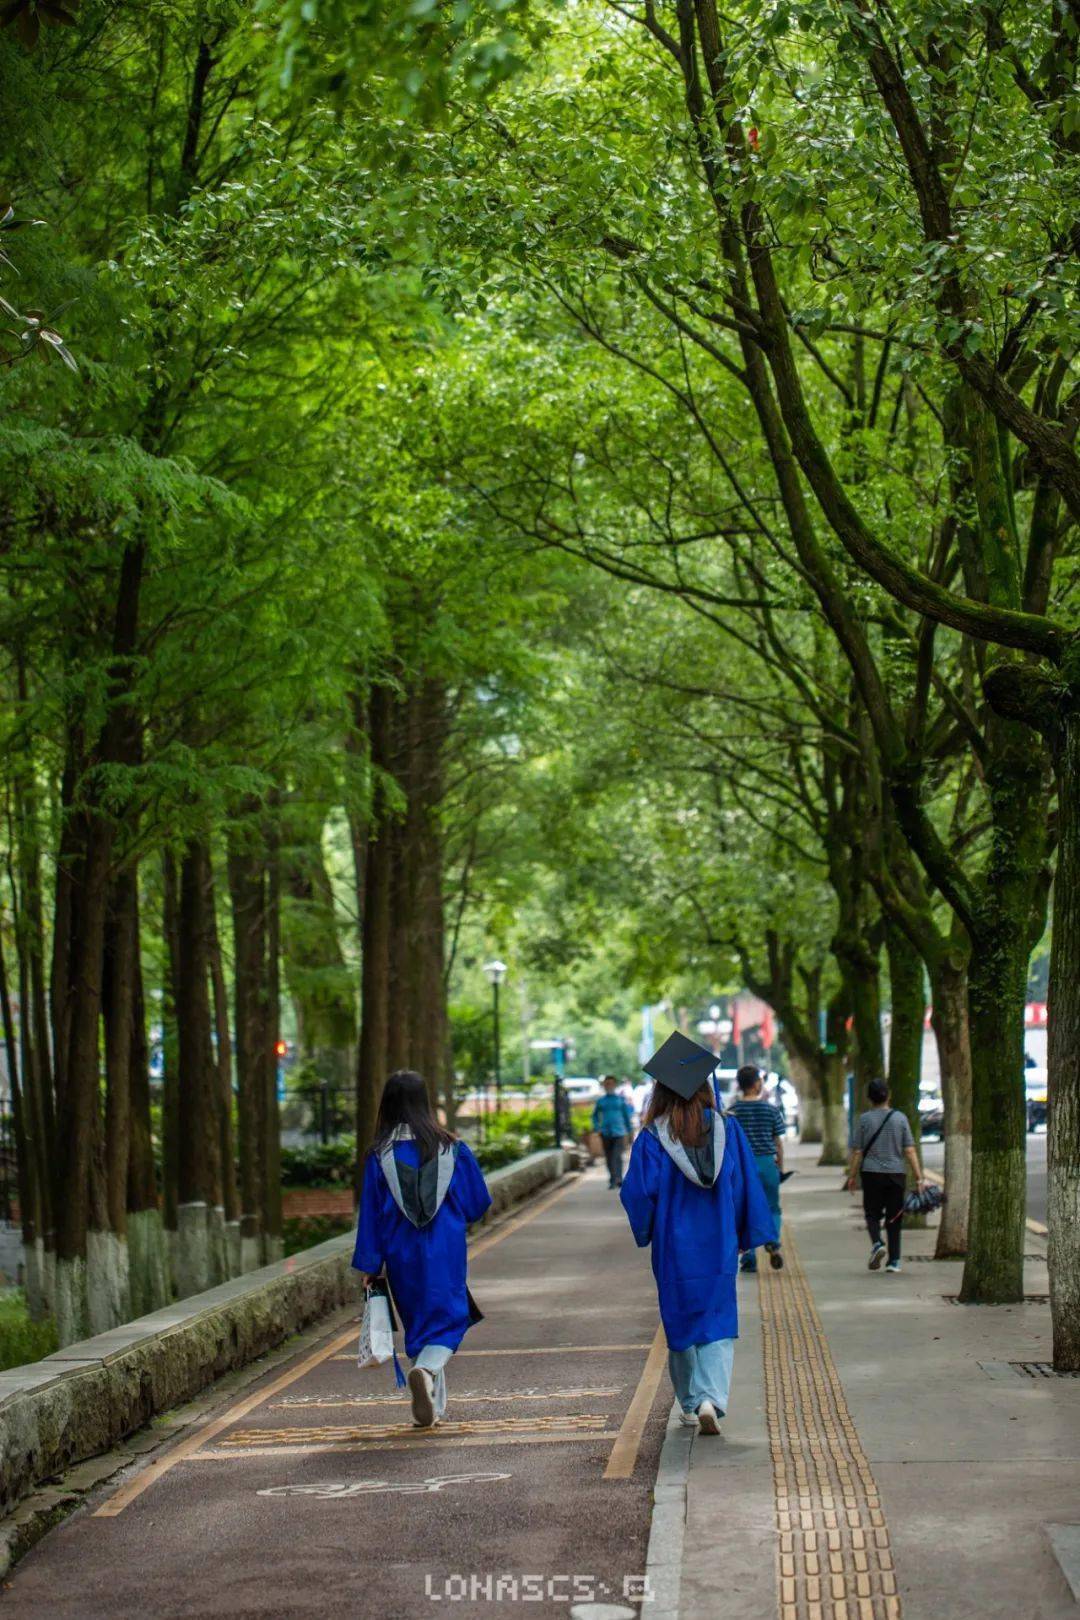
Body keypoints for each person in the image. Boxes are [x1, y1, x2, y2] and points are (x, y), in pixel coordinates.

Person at [620, 1031, 778, 1435]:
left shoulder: (653, 1139)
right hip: (719, 1240)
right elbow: (743, 1188)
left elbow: (638, 1193)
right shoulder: (729, 1131)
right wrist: (744, 1233)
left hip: (675, 1245)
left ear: (661, 1091)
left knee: (679, 1317)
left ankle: (690, 1402)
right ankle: (712, 1397)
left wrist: (650, 1226)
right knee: (717, 1317)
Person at [353, 1069, 492, 1427]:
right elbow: (478, 1203)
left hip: (400, 1251)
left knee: (419, 1323)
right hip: (445, 1248)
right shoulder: (452, 1149)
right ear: (424, 1102)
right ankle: (426, 1371)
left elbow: (370, 1215)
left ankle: (433, 1407)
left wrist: (371, 1264)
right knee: (449, 1318)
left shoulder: (378, 1156)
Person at [846, 1077, 927, 1273]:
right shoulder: (900, 1118)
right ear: (888, 1095)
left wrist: (851, 1176)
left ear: (869, 1098)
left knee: (872, 1214)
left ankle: (877, 1243)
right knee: (894, 1217)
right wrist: (919, 1177)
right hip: (896, 1175)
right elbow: (909, 1150)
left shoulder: (864, 1120)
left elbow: (857, 1152)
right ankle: (894, 1261)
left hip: (871, 1174)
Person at [727, 1064, 785, 1273]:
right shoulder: (770, 1109)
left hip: (742, 1167)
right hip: (767, 1162)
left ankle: (749, 1256)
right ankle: (772, 1241)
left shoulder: (731, 1112)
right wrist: (780, 1165)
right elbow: (778, 1142)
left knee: (745, 1209)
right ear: (757, 1083)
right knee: (772, 1207)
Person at [593, 1074, 635, 1189]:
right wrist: (597, 1128)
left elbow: (626, 1116)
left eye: (611, 1083)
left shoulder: (620, 1100)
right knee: (609, 1156)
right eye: (607, 1084)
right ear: (604, 1086)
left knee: (617, 1156)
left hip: (619, 1132)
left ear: (614, 1085)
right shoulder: (601, 1101)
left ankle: (618, 1178)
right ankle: (612, 1179)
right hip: (605, 1132)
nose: (609, 1086)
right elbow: (595, 1116)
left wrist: (629, 1130)